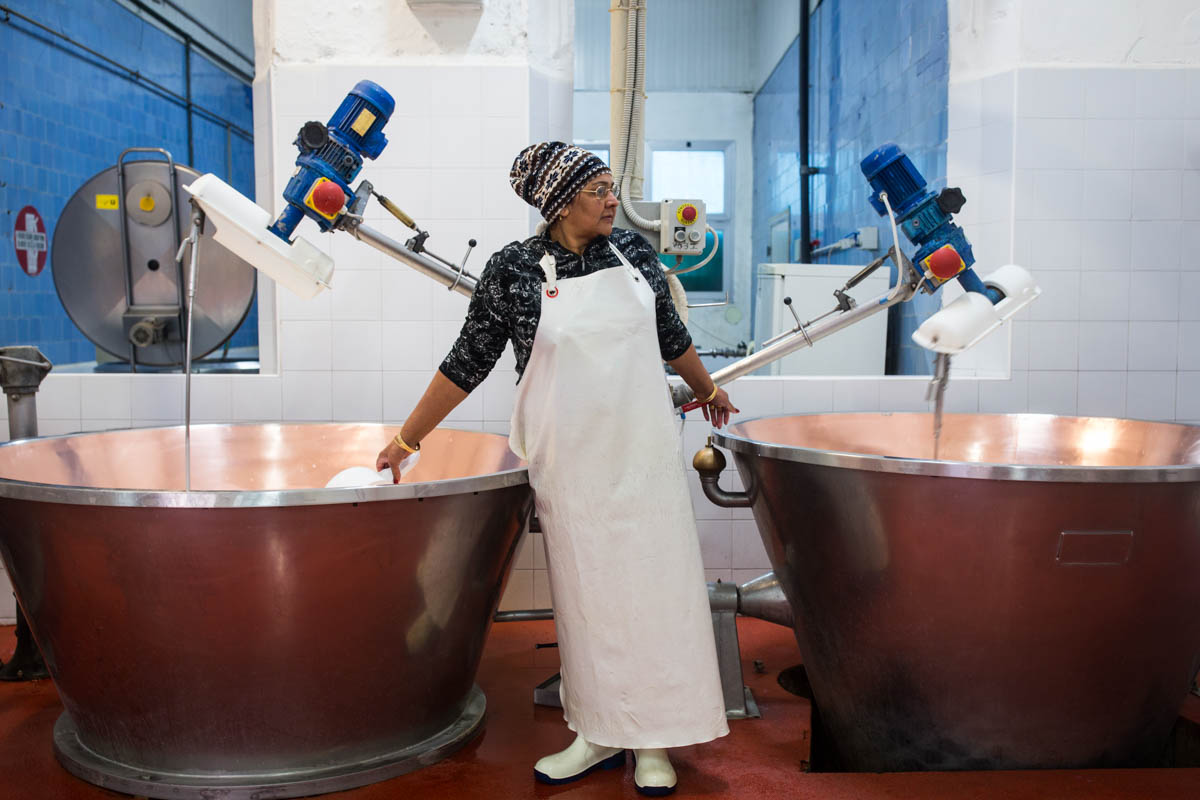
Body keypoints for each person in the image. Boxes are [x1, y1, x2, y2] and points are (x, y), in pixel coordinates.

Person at [377, 142, 738, 796]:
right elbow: (467, 362)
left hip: (643, 451)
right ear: (562, 200)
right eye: (599, 189)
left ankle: (651, 739)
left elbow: (670, 337)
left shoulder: (632, 253)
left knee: (657, 593)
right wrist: (408, 436)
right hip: (571, 458)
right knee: (586, 597)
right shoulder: (513, 269)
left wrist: (707, 389)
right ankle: (599, 732)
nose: (610, 200)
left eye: (608, 188)